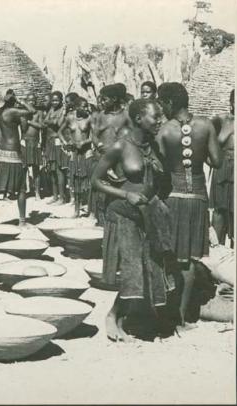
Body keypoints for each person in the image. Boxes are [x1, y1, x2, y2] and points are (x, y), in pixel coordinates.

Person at [92, 98, 173, 342]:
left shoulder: (154, 147)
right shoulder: (120, 147)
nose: (159, 120)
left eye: (160, 116)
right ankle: (112, 316)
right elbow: (96, 181)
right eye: (154, 116)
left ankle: (136, 318)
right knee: (132, 269)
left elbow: (159, 181)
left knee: (152, 265)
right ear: (138, 118)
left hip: (147, 213)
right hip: (124, 213)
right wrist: (126, 193)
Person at [156, 82, 221, 330]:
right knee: (192, 259)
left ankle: (167, 311)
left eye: (162, 103)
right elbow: (215, 161)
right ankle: (182, 318)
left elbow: (160, 170)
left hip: (173, 196)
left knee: (172, 254)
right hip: (198, 198)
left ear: (170, 103)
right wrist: (200, 151)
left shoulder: (164, 131)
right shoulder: (205, 125)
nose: (161, 108)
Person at [0, 89, 36, 227]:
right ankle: (22, 221)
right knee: (22, 188)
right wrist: (21, 101)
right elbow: (32, 111)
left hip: (1, 155)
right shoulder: (12, 112)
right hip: (13, 154)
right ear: (11, 99)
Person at [90, 83, 132, 225]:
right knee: (101, 190)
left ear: (114, 99)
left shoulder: (126, 116)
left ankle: (114, 219)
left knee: (116, 189)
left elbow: (132, 135)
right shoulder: (101, 115)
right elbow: (94, 135)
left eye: (105, 99)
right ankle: (101, 222)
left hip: (119, 160)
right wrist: (99, 145)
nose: (102, 102)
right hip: (102, 158)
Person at [59, 97, 93, 218]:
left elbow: (94, 136)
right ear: (77, 106)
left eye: (87, 106)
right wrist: (66, 143)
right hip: (74, 153)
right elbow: (60, 132)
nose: (86, 108)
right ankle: (77, 210)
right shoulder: (69, 118)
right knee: (76, 181)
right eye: (83, 106)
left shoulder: (89, 118)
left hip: (87, 152)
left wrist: (85, 142)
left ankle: (90, 210)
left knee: (89, 182)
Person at [210, 89, 235, 246]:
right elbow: (204, 138)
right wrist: (210, 160)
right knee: (219, 211)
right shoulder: (221, 120)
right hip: (223, 168)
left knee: (235, 212)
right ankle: (216, 251)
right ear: (231, 102)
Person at [43, 91, 68, 205]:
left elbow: (58, 123)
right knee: (52, 170)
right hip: (49, 142)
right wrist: (50, 121)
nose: (54, 102)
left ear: (61, 100)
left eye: (56, 100)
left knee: (59, 170)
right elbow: (45, 122)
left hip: (57, 141)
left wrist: (49, 121)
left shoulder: (63, 110)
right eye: (52, 100)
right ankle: (55, 195)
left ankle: (62, 197)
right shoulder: (51, 110)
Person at [20, 93, 44, 200]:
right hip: (25, 142)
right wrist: (26, 119)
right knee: (23, 168)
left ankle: (37, 192)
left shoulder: (39, 113)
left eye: (33, 100)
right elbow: (23, 129)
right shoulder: (23, 113)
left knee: (36, 169)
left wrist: (30, 121)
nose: (31, 102)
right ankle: (23, 191)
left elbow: (41, 125)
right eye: (29, 100)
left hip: (35, 142)